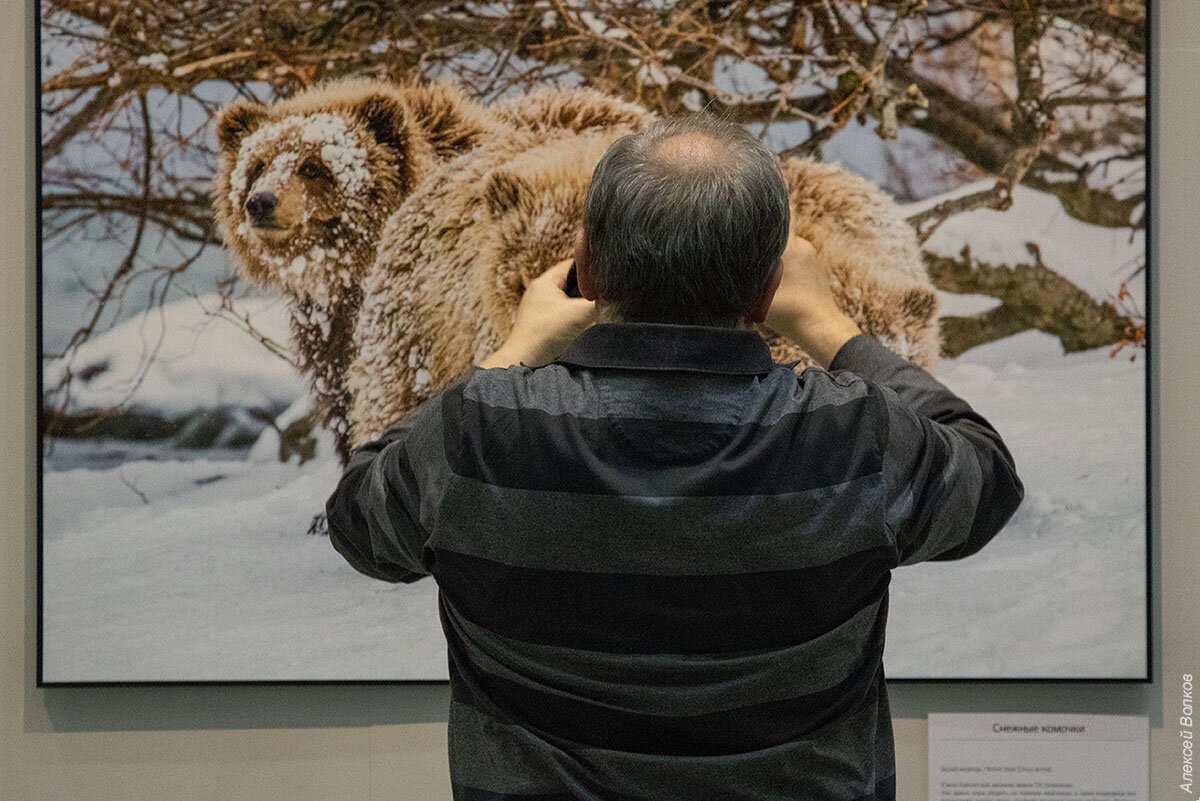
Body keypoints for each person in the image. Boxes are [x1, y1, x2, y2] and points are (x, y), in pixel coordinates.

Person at [325, 114, 1023, 801]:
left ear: (588, 267)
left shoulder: (477, 436)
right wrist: (827, 324)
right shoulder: (854, 436)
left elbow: (359, 519)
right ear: (765, 288)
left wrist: (514, 350)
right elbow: (985, 476)